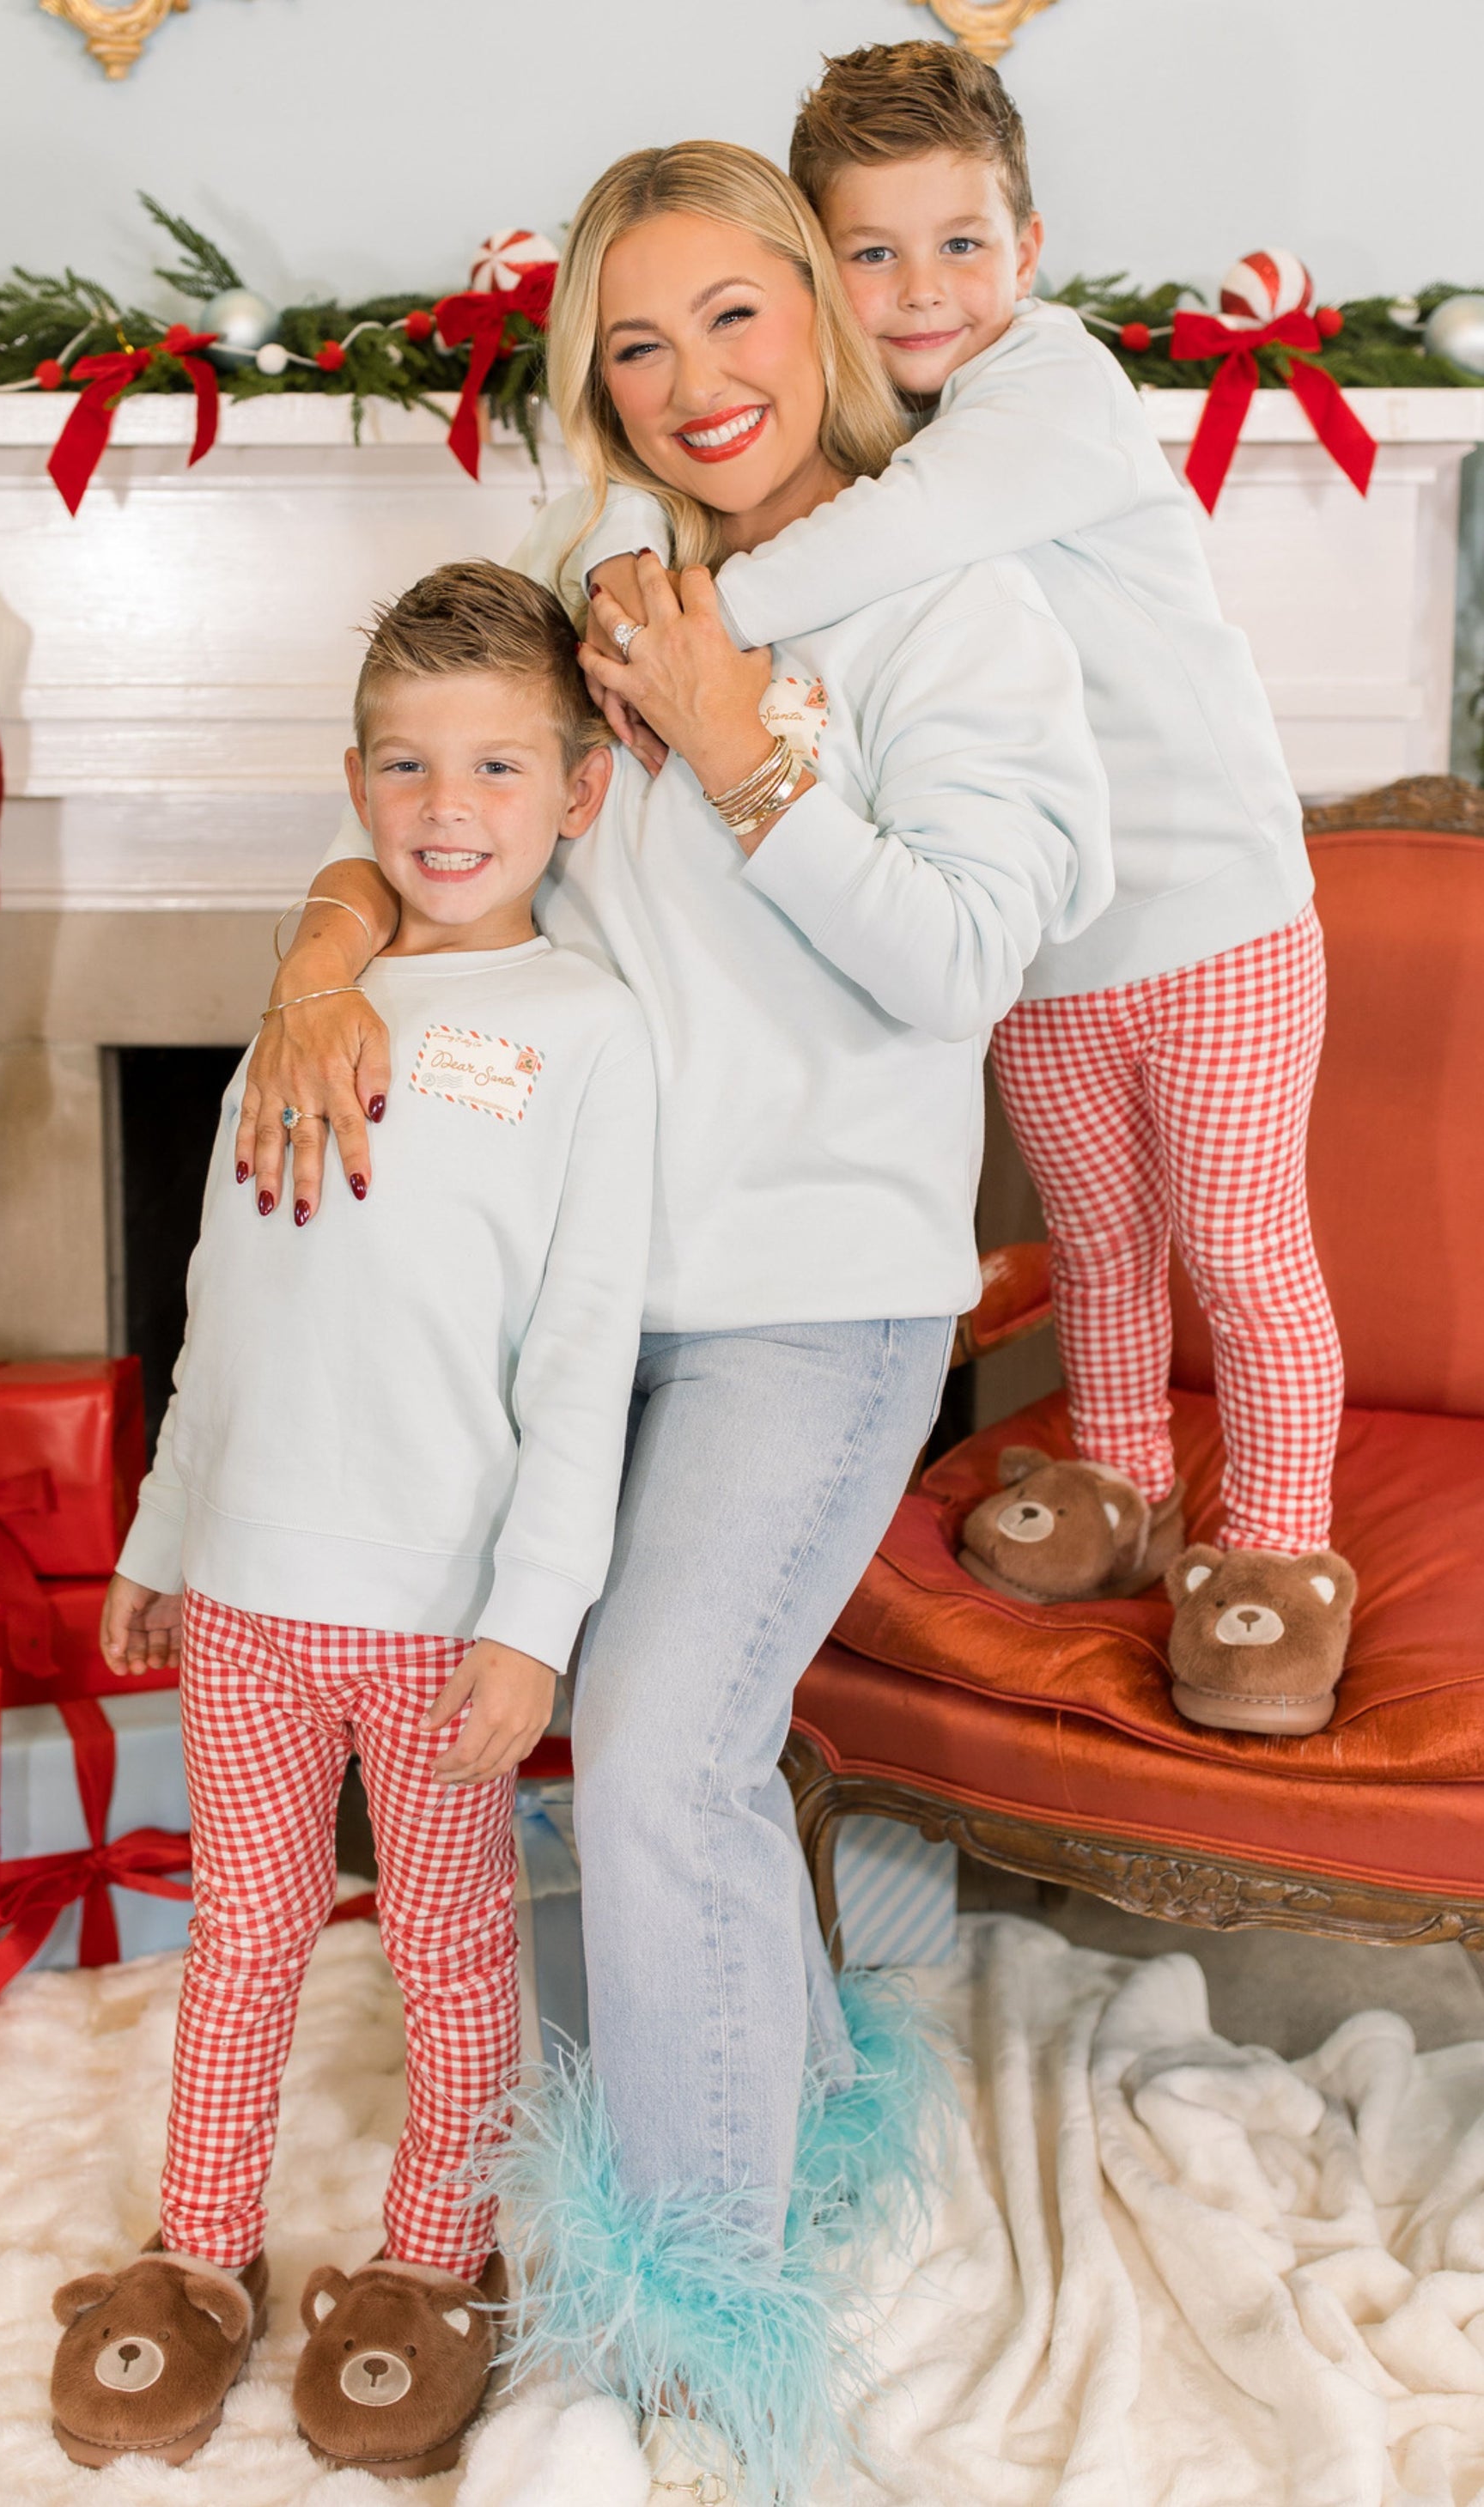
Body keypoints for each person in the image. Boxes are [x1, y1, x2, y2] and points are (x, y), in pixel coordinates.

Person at [242, 143, 1110, 2502]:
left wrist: (741, 747)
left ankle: (684, 2313)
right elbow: (442, 805)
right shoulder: (594, 594)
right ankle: (790, 2099)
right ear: (591, 382)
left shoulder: (961, 615)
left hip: (803, 1316)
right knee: (512, 1735)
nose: (693, 379)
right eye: (637, 340)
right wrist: (330, 952)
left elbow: (959, 965)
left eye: (734, 316)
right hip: (561, 1306)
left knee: (649, 1754)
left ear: (824, 317)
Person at [588, 41, 1351, 1729]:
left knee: (1234, 1242)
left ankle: (1278, 1556)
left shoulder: (1044, 387)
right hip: (1058, 951)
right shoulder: (873, 435)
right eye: (870, 252)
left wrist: (679, 639)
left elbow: (886, 539)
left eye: (959, 242)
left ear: (1029, 244)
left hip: (1218, 917)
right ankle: (1127, 1486)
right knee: (1093, 1239)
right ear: (815, 269)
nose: (921, 289)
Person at [43, 563, 655, 2481]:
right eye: (405, 760)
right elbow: (231, 1297)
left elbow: (579, 1355)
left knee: (454, 1952)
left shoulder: (586, 1034)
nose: (445, 803)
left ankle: (430, 2261)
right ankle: (204, 2256)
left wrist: (533, 1617)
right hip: (247, 1592)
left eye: (492, 761)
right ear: (354, 777)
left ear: (578, 792)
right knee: (241, 1935)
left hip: (433, 1606)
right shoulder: (301, 1008)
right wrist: (161, 1530)